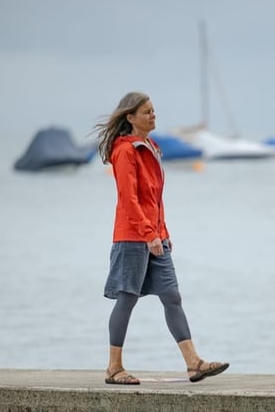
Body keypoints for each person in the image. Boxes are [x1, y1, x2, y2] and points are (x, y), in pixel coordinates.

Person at [94, 91, 229, 385]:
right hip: (132, 237)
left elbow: (153, 198)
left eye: (154, 111)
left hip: (155, 238)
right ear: (130, 118)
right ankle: (113, 368)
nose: (153, 115)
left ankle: (194, 363)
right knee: (127, 299)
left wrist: (163, 232)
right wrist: (147, 233)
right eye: (146, 112)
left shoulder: (150, 146)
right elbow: (129, 199)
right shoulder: (126, 150)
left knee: (172, 296)